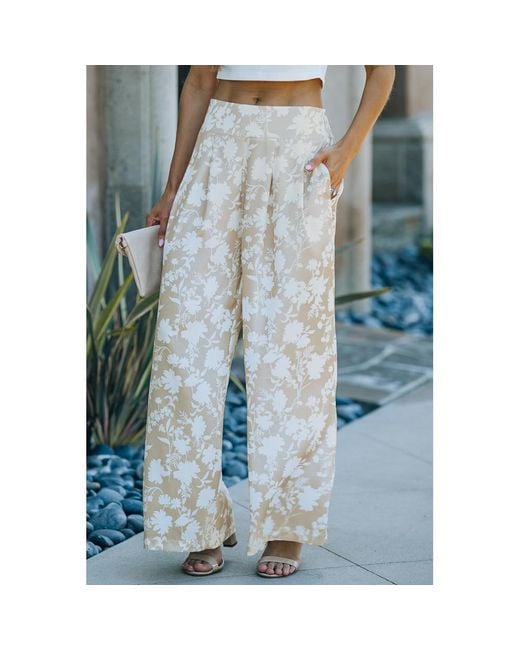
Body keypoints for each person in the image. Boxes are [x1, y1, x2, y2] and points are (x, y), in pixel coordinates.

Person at [143, 65, 395, 578]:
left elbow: (382, 68)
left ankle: (287, 524)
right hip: (216, 147)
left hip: (297, 148)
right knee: (186, 350)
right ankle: (197, 521)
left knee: (291, 352)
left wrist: (347, 150)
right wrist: (173, 189)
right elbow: (199, 81)